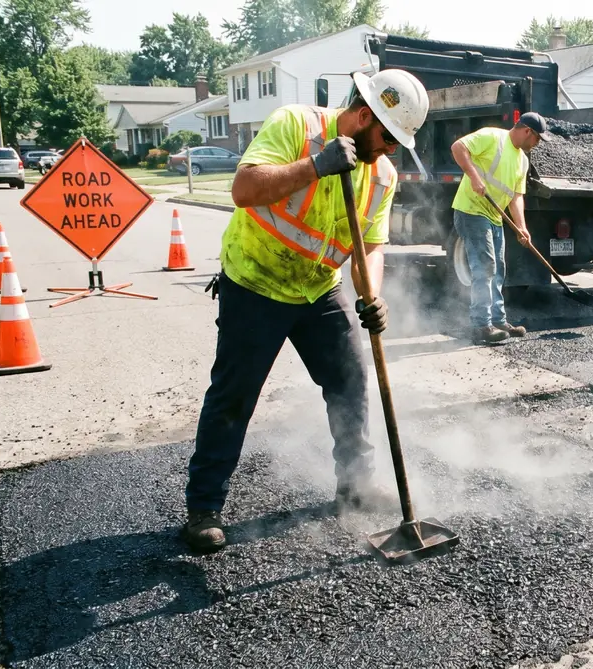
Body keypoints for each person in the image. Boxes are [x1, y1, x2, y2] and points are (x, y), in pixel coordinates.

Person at [181, 69, 430, 553]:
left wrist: (371, 296)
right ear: (364, 116)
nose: (392, 150)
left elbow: (371, 246)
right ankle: (204, 507)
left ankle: (356, 484)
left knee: (350, 380)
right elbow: (244, 189)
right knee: (234, 395)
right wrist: (316, 166)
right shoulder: (295, 125)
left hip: (318, 288)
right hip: (255, 282)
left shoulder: (382, 174)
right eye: (388, 138)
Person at [450, 112, 550, 345]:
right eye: (537, 138)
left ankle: (498, 320)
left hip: (494, 217)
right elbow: (458, 147)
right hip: (471, 211)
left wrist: (521, 227)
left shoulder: (522, 160)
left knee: (498, 269)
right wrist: (474, 177)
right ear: (527, 131)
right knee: (485, 267)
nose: (537, 143)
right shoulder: (493, 137)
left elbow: (516, 196)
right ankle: (481, 325)